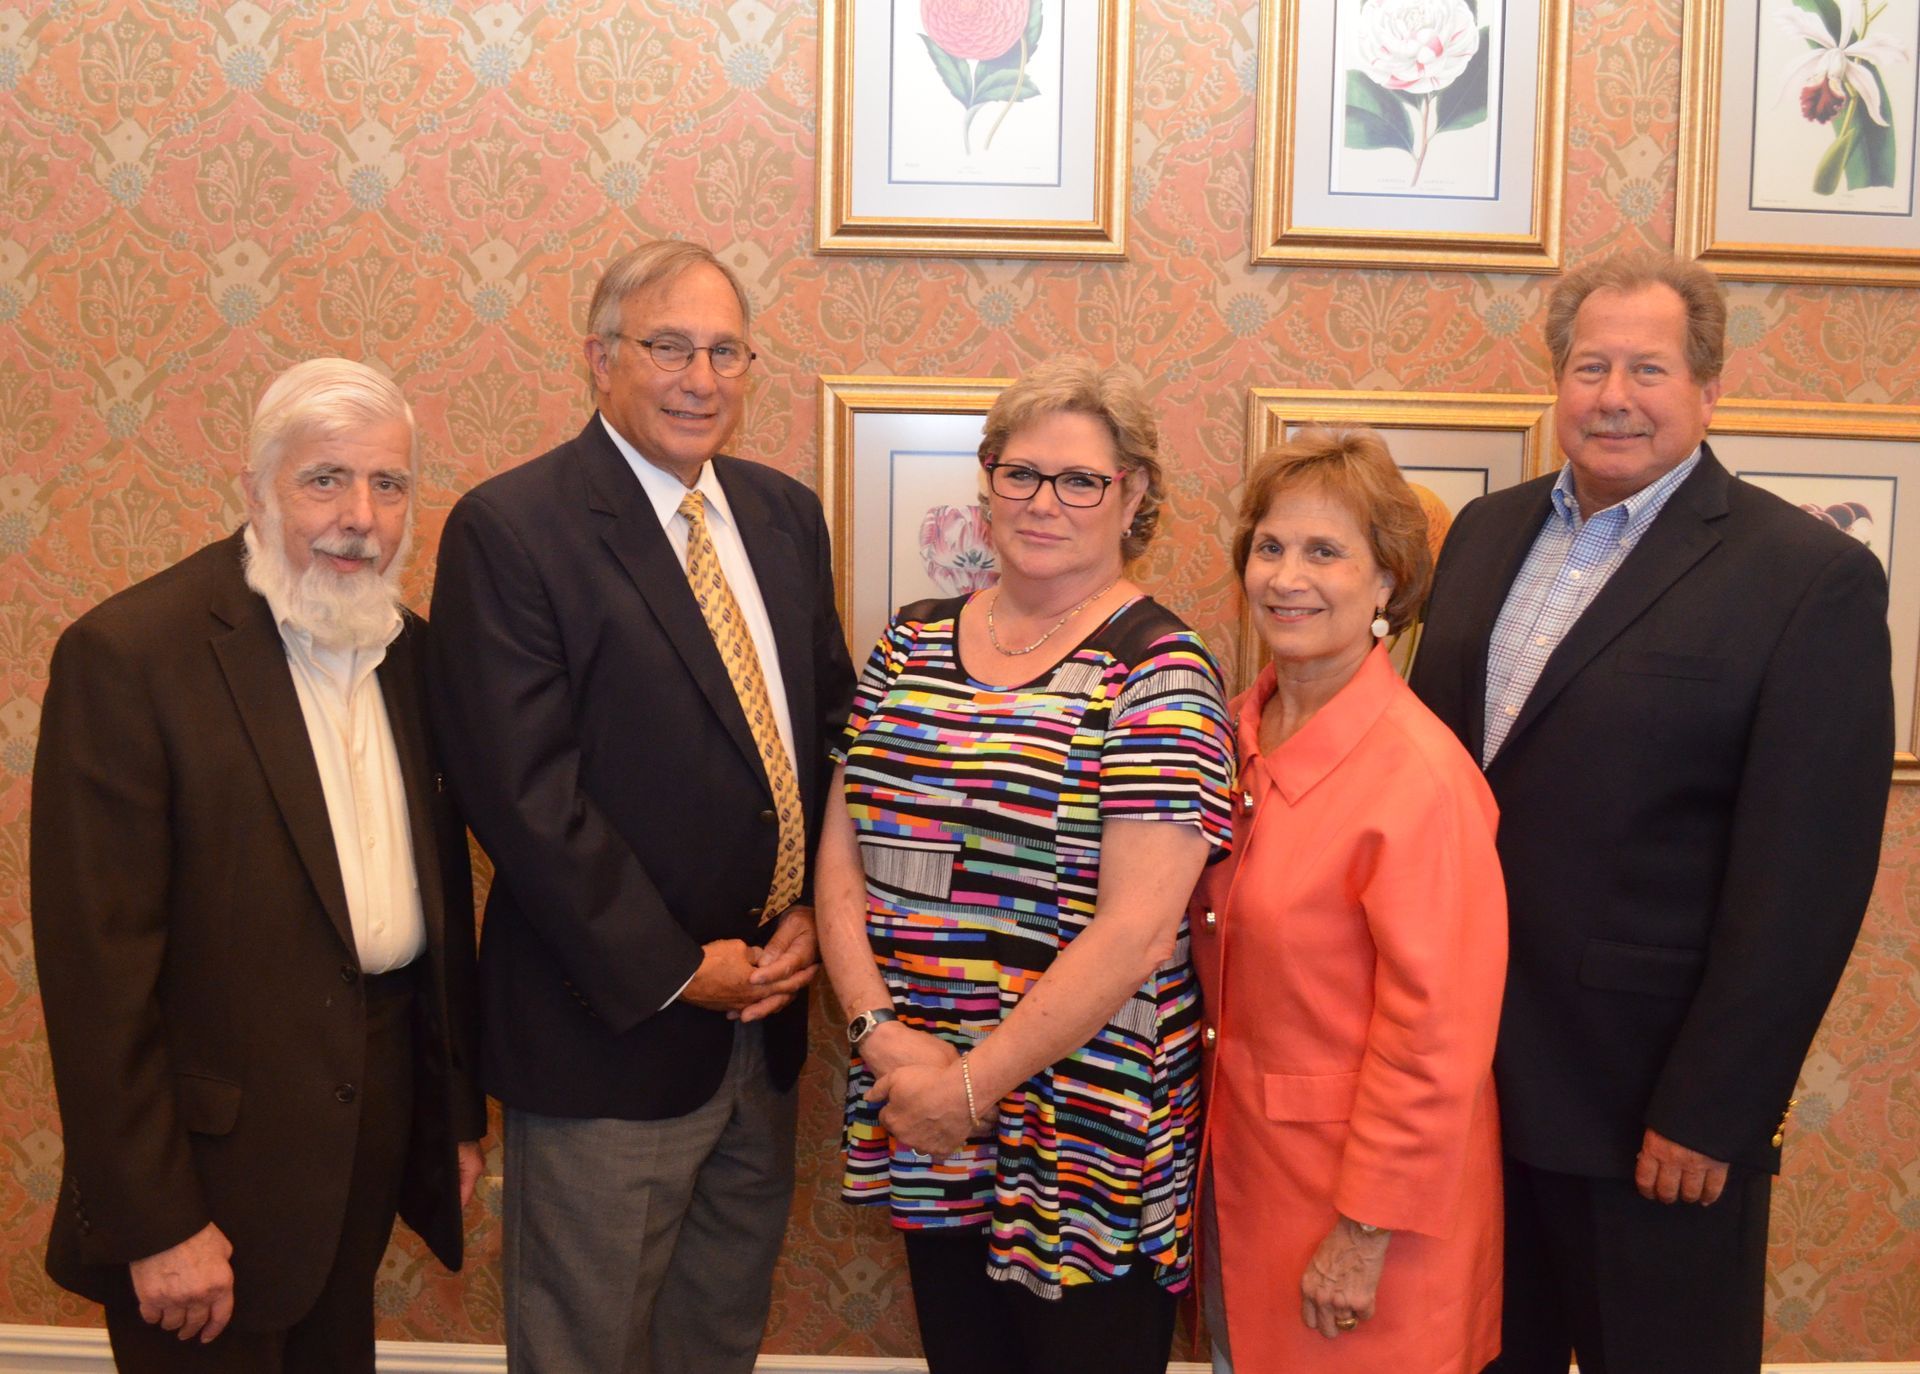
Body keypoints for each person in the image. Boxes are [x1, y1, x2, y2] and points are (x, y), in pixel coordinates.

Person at [1409, 249, 1893, 1373]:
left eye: (1649, 368)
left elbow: (1805, 882)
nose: (1613, 395)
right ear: (1556, 383)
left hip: (1649, 1107)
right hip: (1467, 1086)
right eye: (1589, 366)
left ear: (1709, 390)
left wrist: (1715, 1106)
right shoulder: (1484, 535)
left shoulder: (1806, 577)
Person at [426, 239, 856, 1373]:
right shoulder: (512, 528)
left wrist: (823, 910)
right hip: (606, 1037)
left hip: (763, 1029)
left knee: (713, 1339)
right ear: (598, 358)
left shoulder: (782, 515)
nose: (699, 379)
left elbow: (831, 736)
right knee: (587, 1350)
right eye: (668, 346)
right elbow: (521, 795)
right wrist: (677, 967)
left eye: (725, 351)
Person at [30, 358, 484, 1372]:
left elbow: (435, 896)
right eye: (324, 479)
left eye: (389, 484)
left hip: (364, 1140)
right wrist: (156, 1222)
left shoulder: (409, 650)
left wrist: (450, 1119)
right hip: (206, 1183)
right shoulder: (132, 656)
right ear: (255, 489)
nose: (359, 515)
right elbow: (95, 980)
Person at [814, 356, 1234, 1374]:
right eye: (1021, 473)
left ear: (1131, 495)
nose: (1045, 502)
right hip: (920, 1097)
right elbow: (841, 856)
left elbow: (1134, 936)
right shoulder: (909, 644)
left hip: (1082, 1122)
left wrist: (971, 1084)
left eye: (1080, 480)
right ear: (988, 481)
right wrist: (881, 1041)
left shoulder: (1161, 670)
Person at [1192, 429, 1505, 1372]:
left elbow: (1437, 1038)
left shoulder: (1419, 777)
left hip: (1365, 1220)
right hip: (1239, 1182)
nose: (1288, 577)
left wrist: (1364, 1232)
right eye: (1271, 547)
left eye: (1326, 552)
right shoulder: (1232, 737)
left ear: (1388, 585)